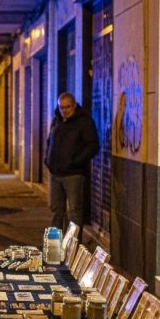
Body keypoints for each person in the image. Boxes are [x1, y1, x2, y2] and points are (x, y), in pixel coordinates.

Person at [45, 92, 99, 229]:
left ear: (74, 105)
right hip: (55, 173)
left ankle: (72, 247)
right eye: (61, 107)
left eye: (67, 107)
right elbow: (50, 140)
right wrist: (48, 159)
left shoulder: (84, 121)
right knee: (56, 210)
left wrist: (76, 162)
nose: (64, 111)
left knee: (74, 212)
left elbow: (93, 145)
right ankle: (55, 246)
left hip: (73, 174)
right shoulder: (57, 120)